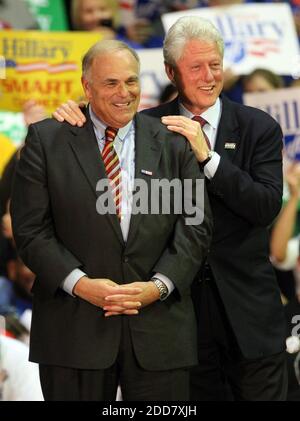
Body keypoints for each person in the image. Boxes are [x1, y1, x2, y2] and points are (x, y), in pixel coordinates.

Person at [54, 17, 287, 401]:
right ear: (170, 72)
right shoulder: (143, 125)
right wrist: (72, 117)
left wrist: (208, 158)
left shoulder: (257, 127)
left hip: (250, 317)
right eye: (196, 67)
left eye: (216, 64)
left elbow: (264, 207)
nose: (209, 76)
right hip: (176, 318)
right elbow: (99, 129)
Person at [11, 39, 212, 401]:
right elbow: (30, 232)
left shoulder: (173, 142)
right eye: (111, 83)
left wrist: (159, 286)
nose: (125, 93)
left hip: (159, 328)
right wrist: (81, 284)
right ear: (87, 86)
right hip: (73, 328)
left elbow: (194, 226)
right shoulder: (47, 139)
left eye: (131, 81)